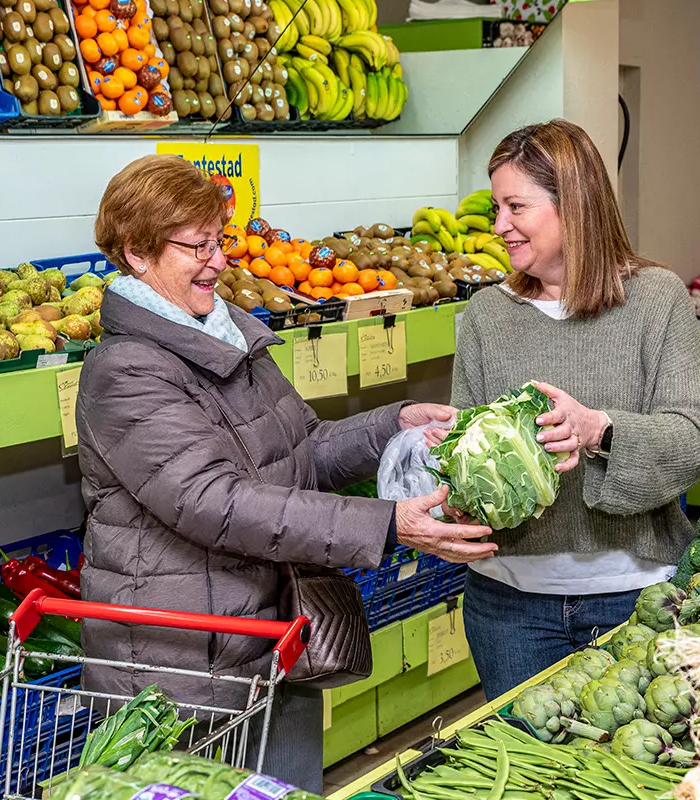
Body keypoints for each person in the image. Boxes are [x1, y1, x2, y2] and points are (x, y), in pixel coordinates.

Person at [74, 154, 494, 792]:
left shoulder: (228, 338)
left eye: (221, 241)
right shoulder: (125, 372)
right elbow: (214, 502)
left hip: (274, 640)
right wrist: (385, 525)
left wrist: (394, 424)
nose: (218, 261)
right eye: (198, 246)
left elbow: (304, 451)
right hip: (180, 670)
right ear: (136, 252)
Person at [448, 120, 700, 700]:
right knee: (524, 780)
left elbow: (694, 436)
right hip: (508, 605)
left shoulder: (656, 299)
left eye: (516, 206)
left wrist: (599, 429)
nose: (499, 226)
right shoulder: (486, 315)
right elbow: (461, 447)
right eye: (497, 206)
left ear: (572, 204)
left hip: (635, 597)